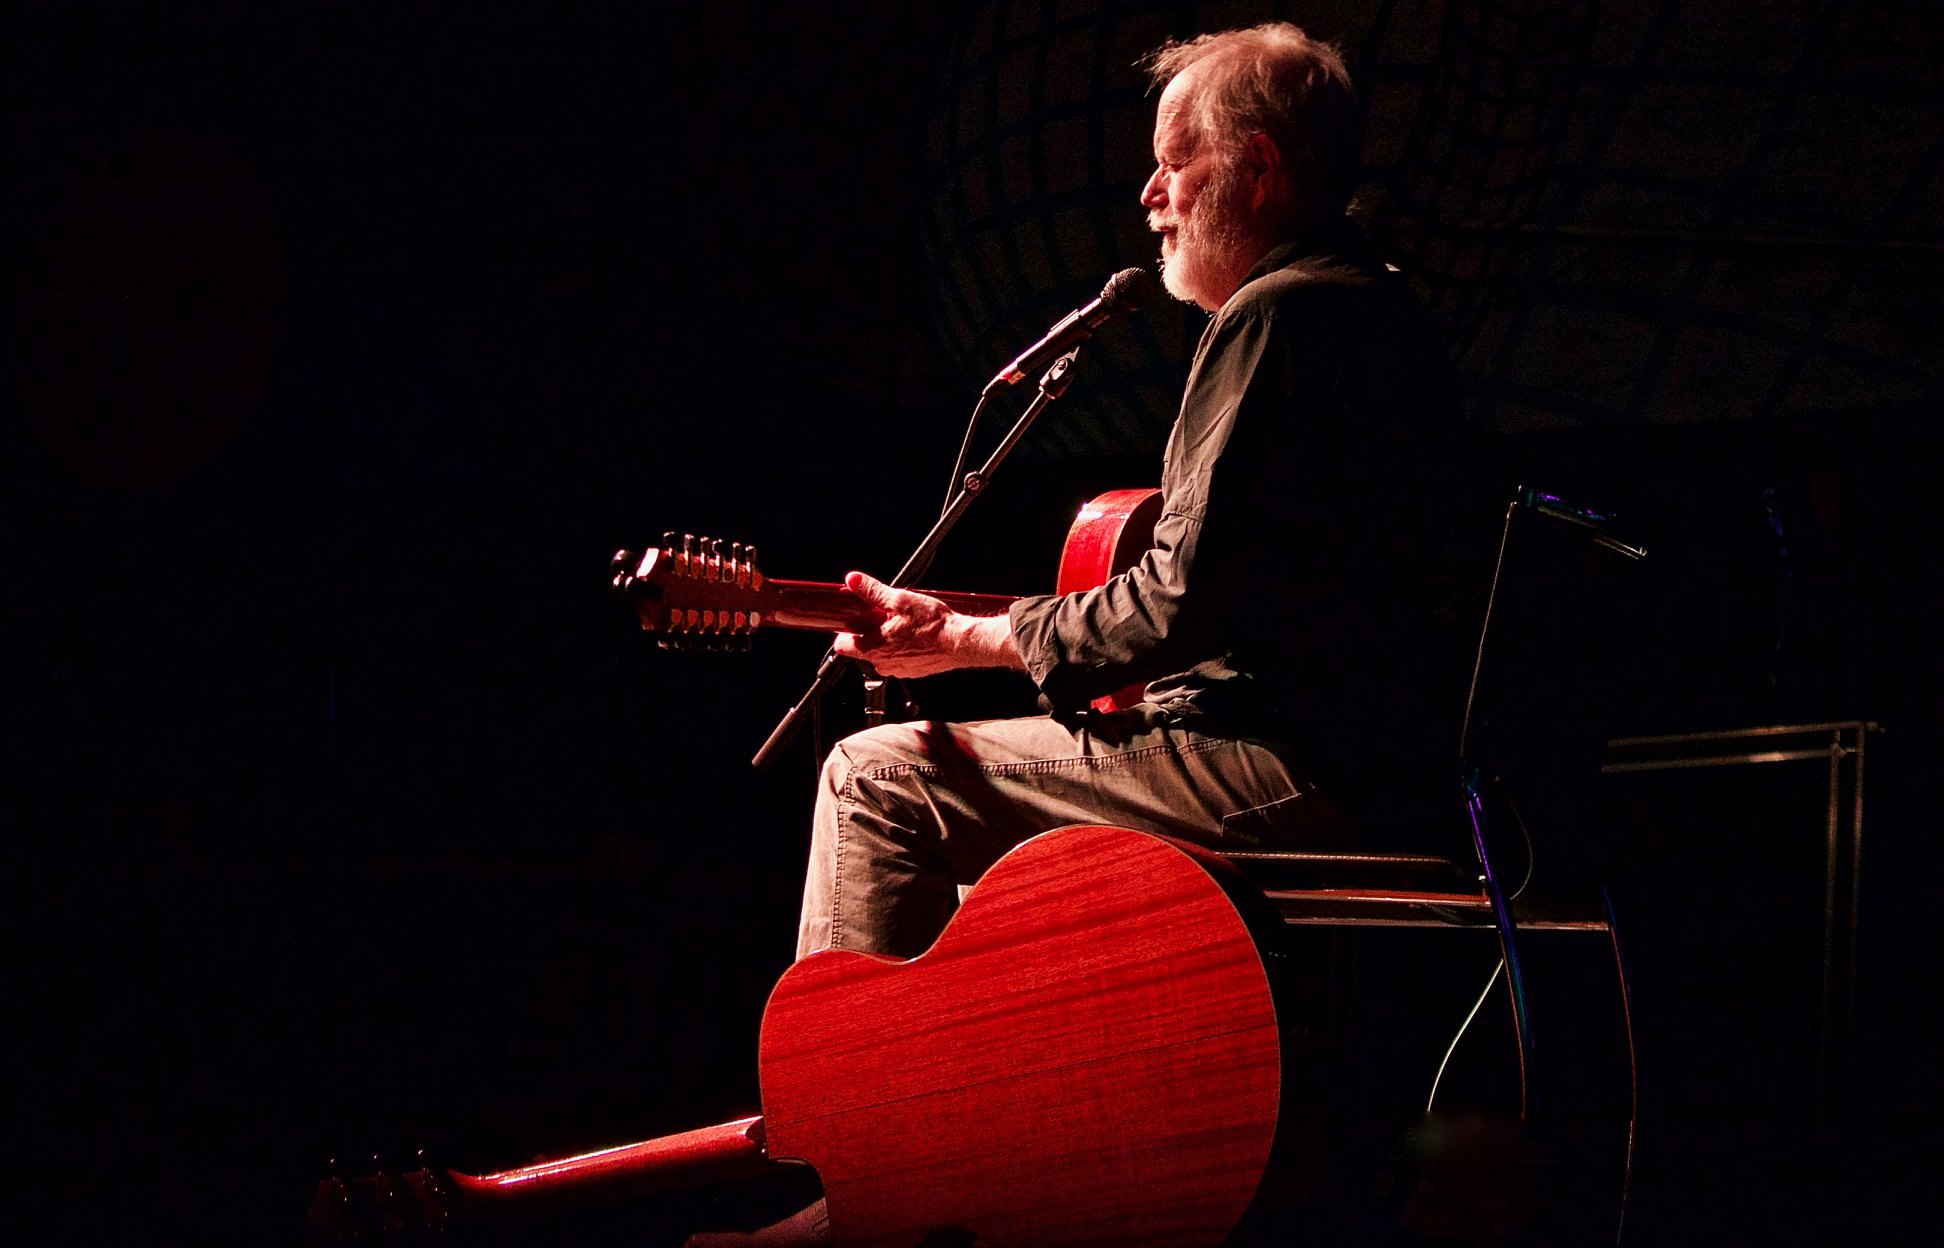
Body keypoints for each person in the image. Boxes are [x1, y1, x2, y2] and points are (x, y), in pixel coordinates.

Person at [691, 21, 1472, 1243]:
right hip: (1359, 756)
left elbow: (1171, 607)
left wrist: (965, 640)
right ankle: (979, 1156)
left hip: (1294, 769)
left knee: (881, 780)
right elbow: (1229, 594)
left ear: (1257, 170)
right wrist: (960, 633)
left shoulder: (1280, 316)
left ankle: (855, 1188)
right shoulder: (1366, 312)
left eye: (1177, 163)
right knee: (956, 801)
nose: (1150, 195)